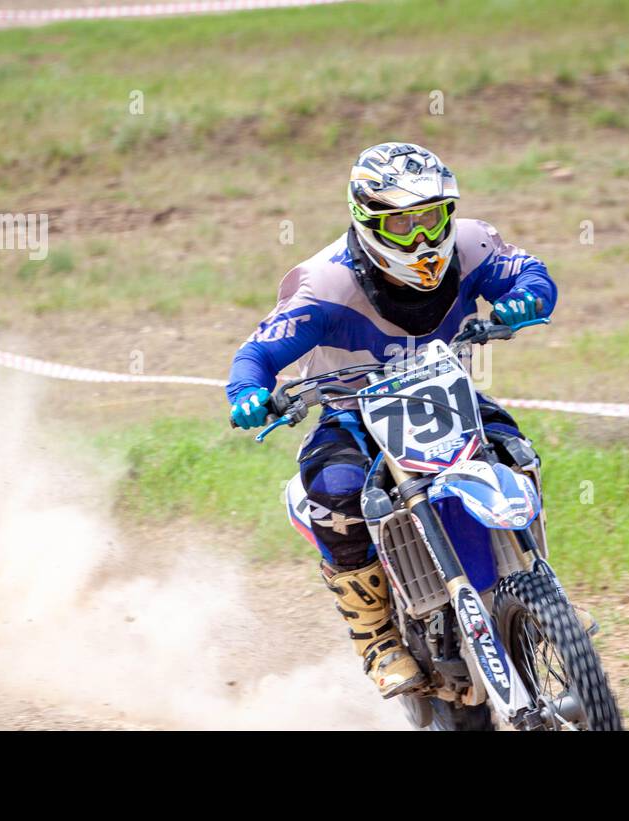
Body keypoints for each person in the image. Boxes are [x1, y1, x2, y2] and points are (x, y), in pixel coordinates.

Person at [226, 142, 556, 698]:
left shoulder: (473, 244)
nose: (423, 238)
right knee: (336, 493)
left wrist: (524, 301)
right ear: (369, 221)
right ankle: (377, 637)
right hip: (351, 413)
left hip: (443, 395)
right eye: (403, 223)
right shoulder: (325, 286)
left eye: (432, 217)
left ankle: (536, 581)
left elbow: (531, 274)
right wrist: (249, 394)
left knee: (515, 450)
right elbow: (256, 354)